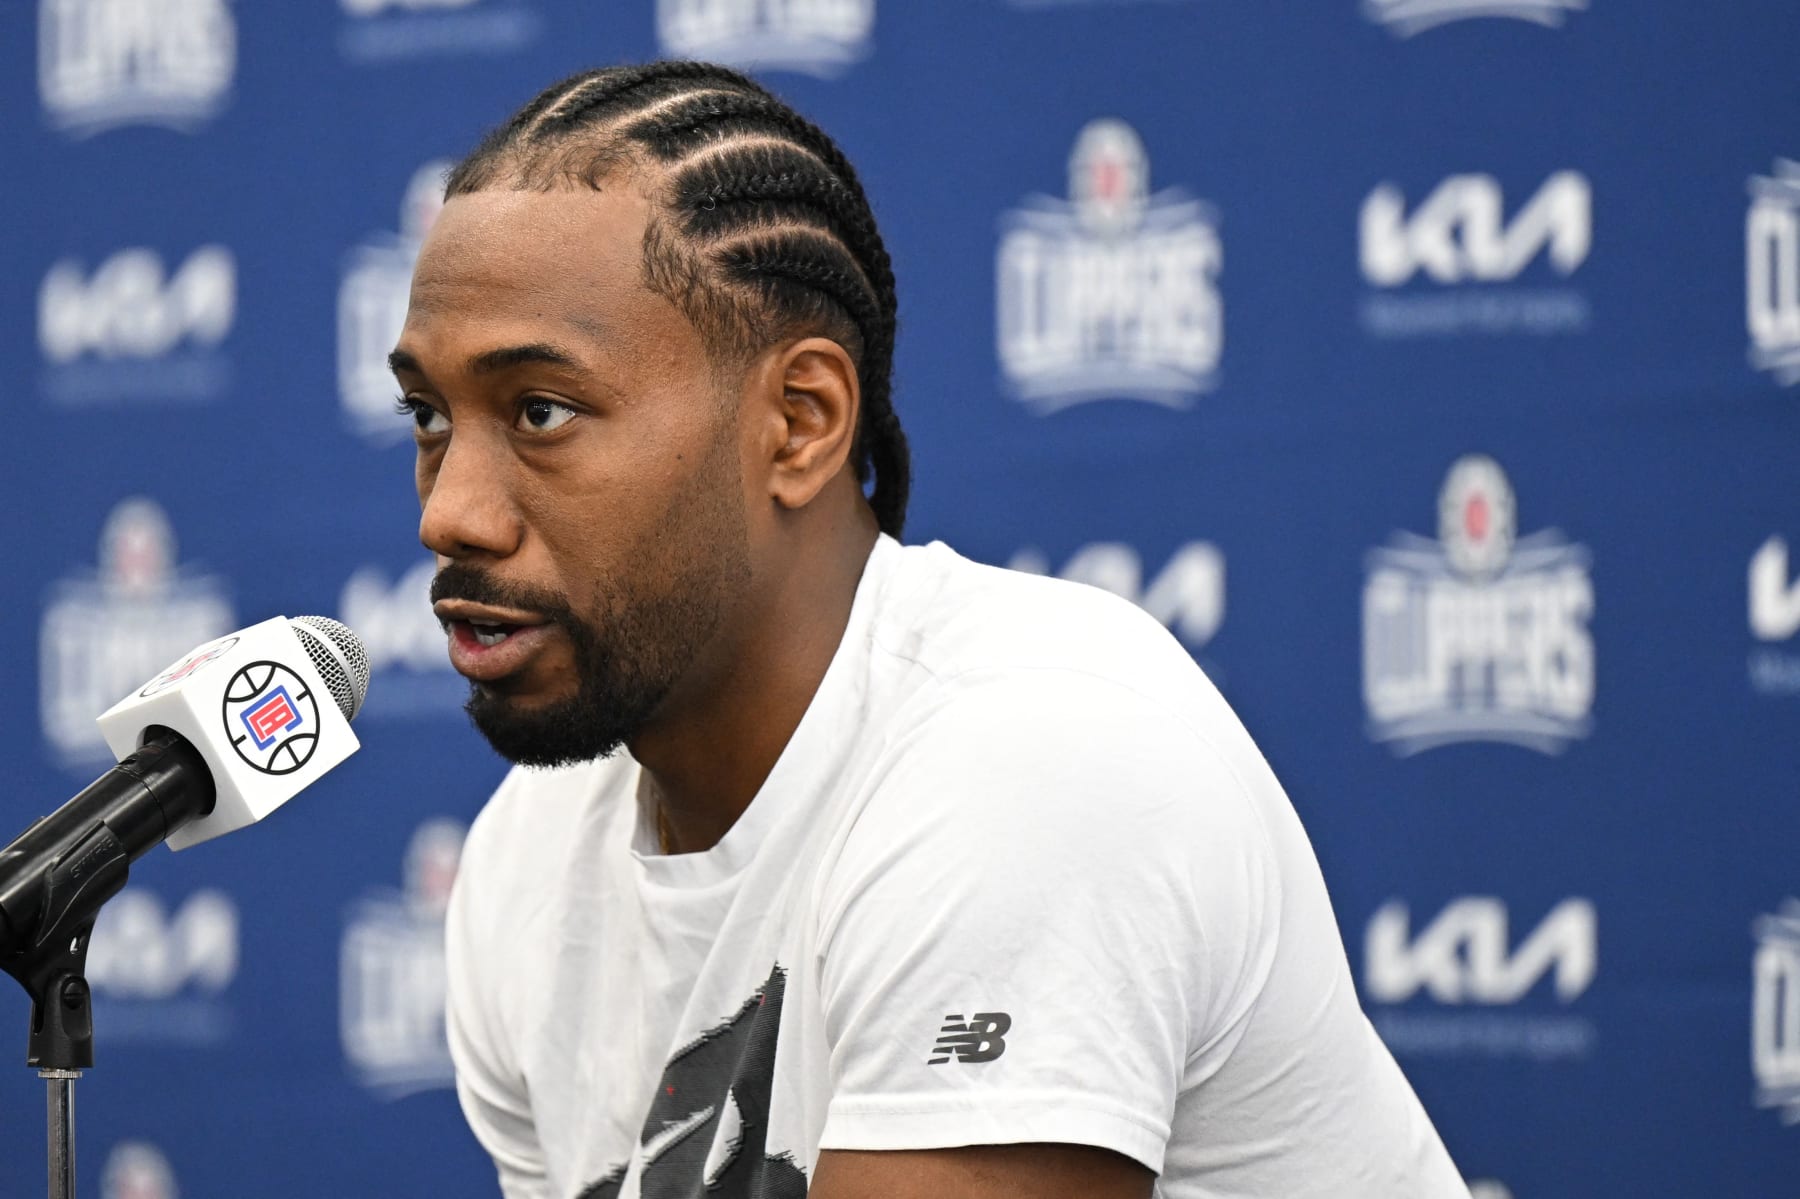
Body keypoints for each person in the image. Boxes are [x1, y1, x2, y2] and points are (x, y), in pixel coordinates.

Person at [397, 60, 1469, 1199]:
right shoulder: (528, 857)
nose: (447, 513)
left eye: (542, 411)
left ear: (800, 421)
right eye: (426, 415)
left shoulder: (1032, 757)